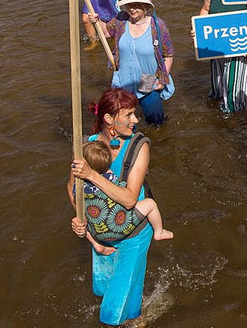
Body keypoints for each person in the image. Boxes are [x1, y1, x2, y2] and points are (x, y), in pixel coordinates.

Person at [68, 88, 156, 325]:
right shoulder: (88, 145)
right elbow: (72, 189)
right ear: (109, 119)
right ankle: (139, 320)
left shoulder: (140, 146)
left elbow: (129, 199)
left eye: (134, 114)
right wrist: (82, 224)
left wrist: (93, 176)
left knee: (112, 313)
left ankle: (138, 319)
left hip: (132, 234)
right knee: (107, 294)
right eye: (128, 115)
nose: (135, 120)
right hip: (101, 234)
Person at [73, 138, 173, 255]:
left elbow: (76, 201)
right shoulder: (110, 179)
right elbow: (123, 190)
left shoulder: (77, 186)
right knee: (150, 204)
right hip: (119, 227)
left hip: (97, 232)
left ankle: (97, 245)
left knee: (79, 221)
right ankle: (159, 231)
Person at [106, 0, 174, 126]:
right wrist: (94, 20)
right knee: (122, 123)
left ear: (145, 7)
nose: (132, 9)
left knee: (155, 121)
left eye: (136, 5)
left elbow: (169, 55)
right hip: (123, 79)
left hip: (147, 79)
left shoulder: (158, 26)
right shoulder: (121, 20)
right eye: (130, 5)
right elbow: (106, 33)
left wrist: (161, 80)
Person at [198, 0, 247, 114]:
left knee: (234, 95)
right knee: (218, 88)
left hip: (241, 47)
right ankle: (220, 117)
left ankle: (234, 122)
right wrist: (199, 29)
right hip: (217, 46)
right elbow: (205, 9)